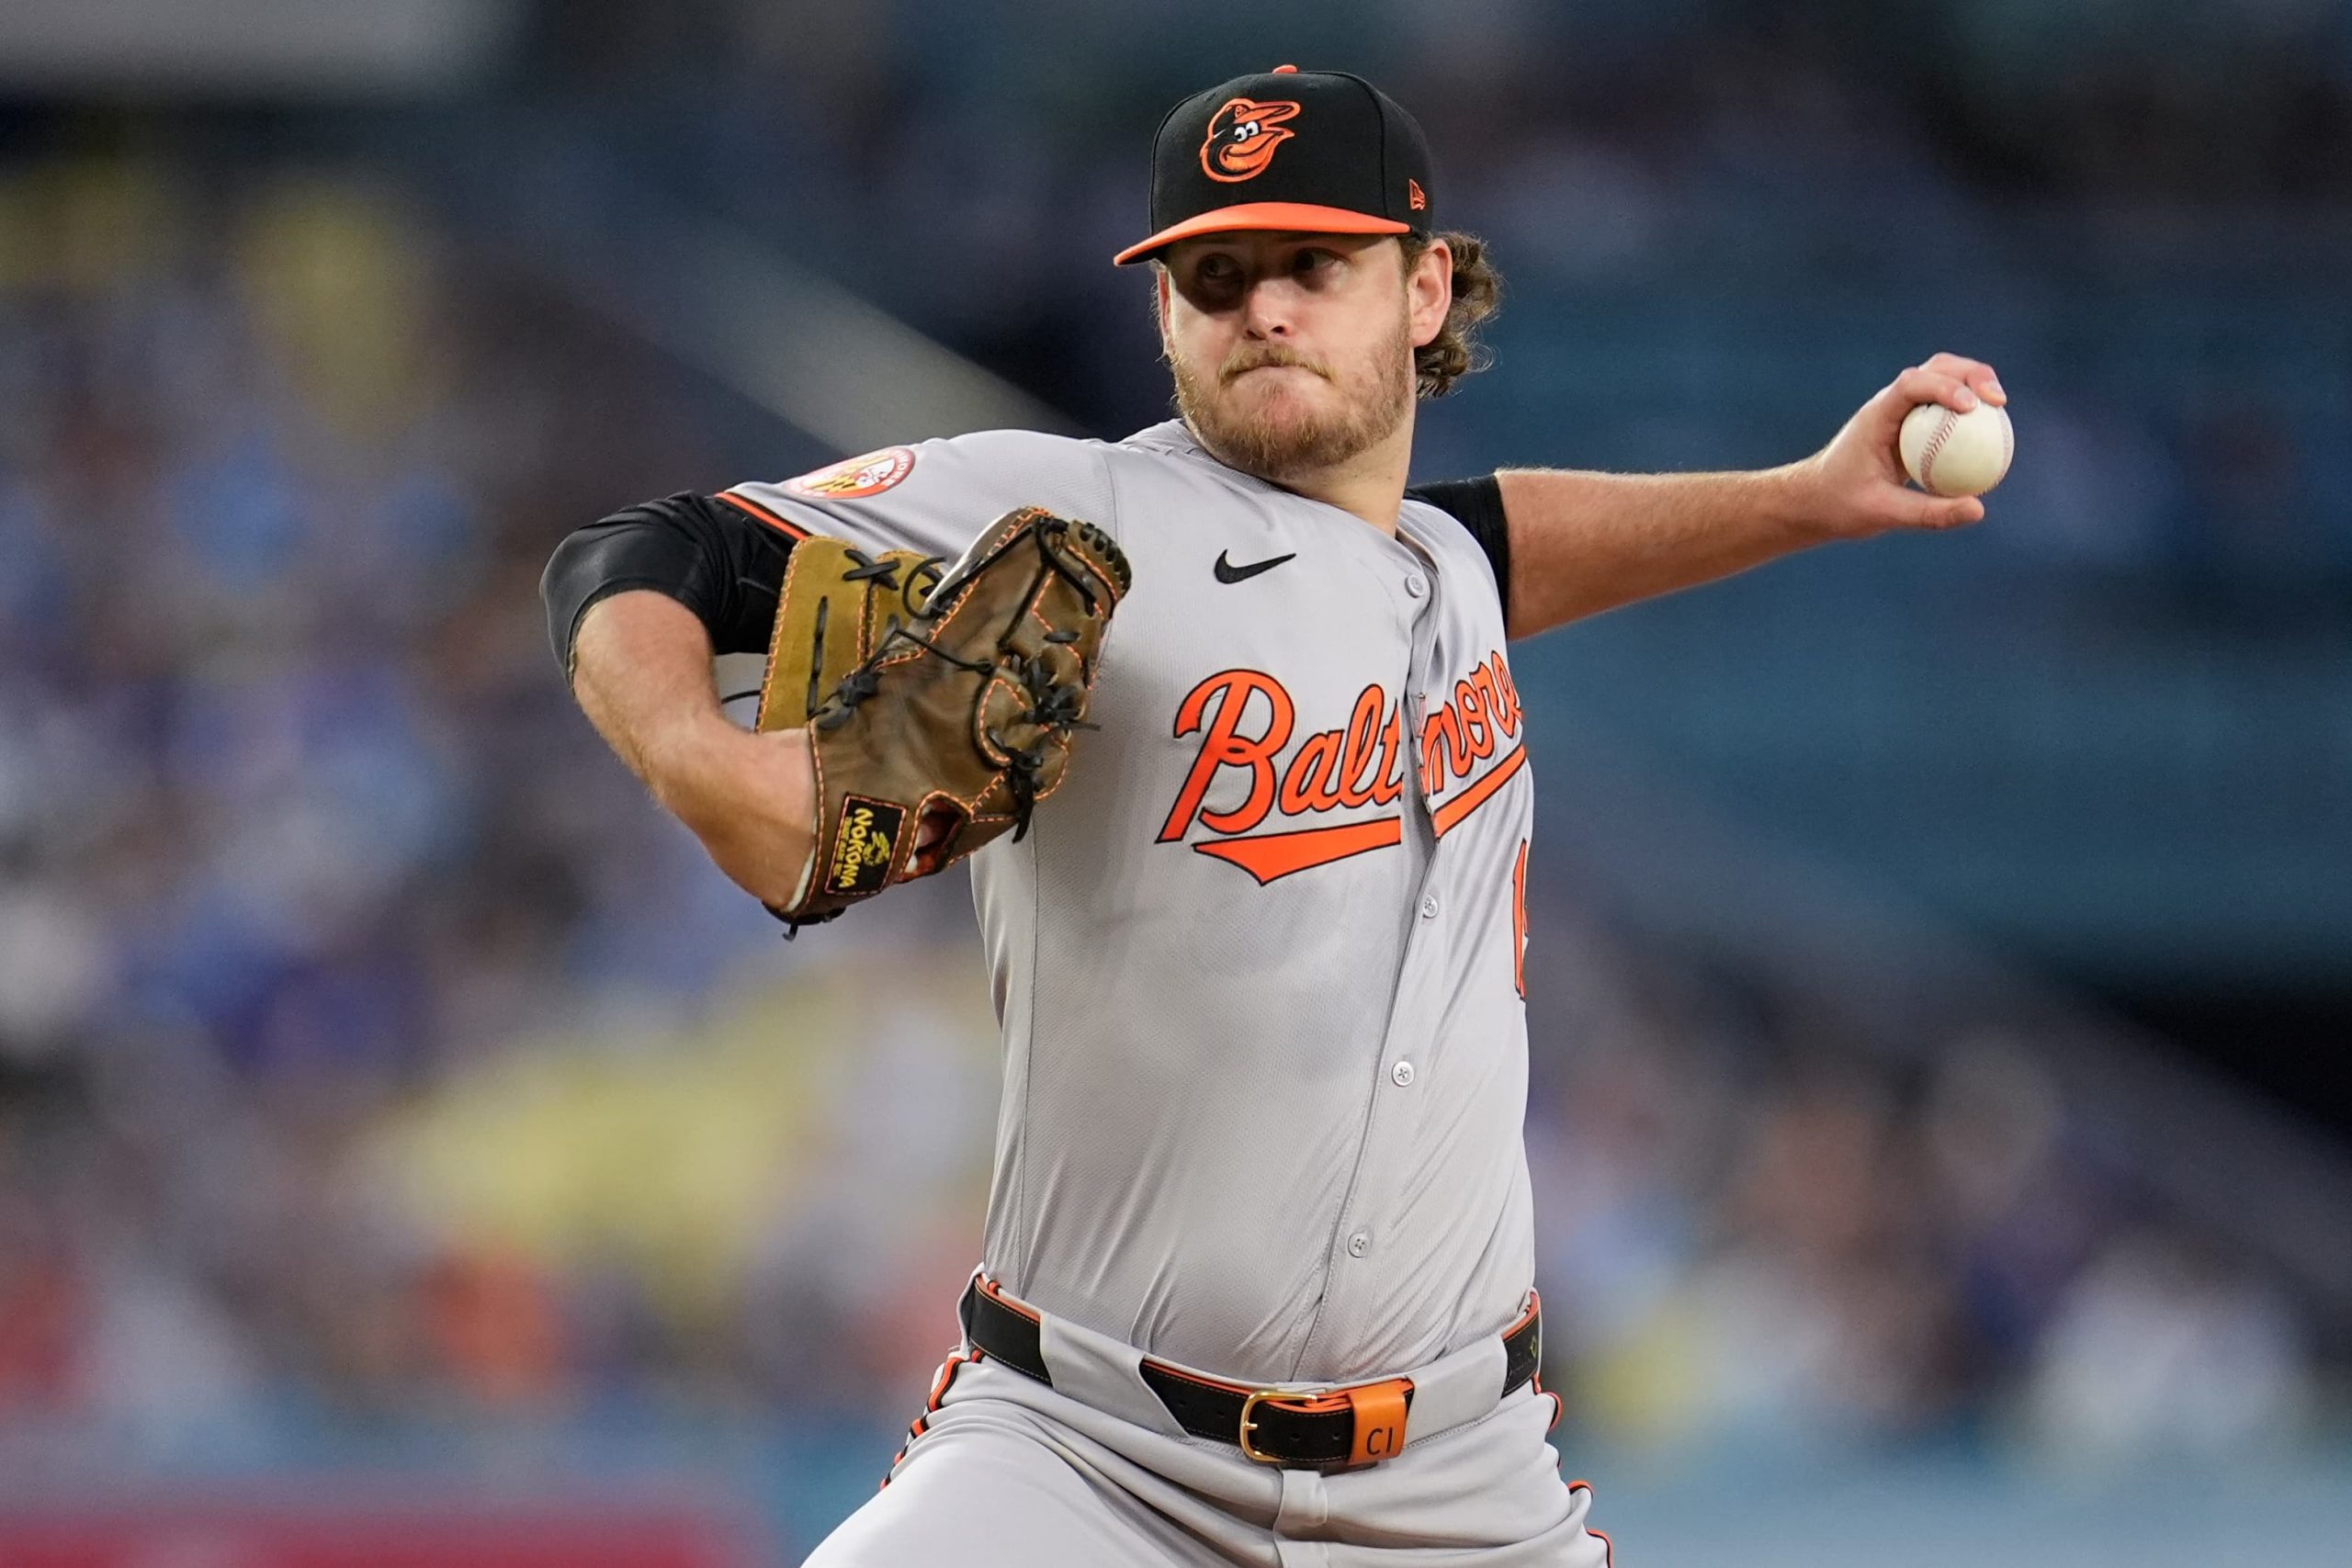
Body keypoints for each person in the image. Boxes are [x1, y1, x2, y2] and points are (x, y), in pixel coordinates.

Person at [542, 64, 2004, 1568]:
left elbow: (1505, 542)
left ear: (1427, 290)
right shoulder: (1075, 513)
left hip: (1462, 1488)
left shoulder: (1442, 572)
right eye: (1214, 275)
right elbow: (641, 556)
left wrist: (1804, 497)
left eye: (1315, 264)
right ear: (1165, 316)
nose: (1265, 309)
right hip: (1087, 1464)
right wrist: (711, 769)